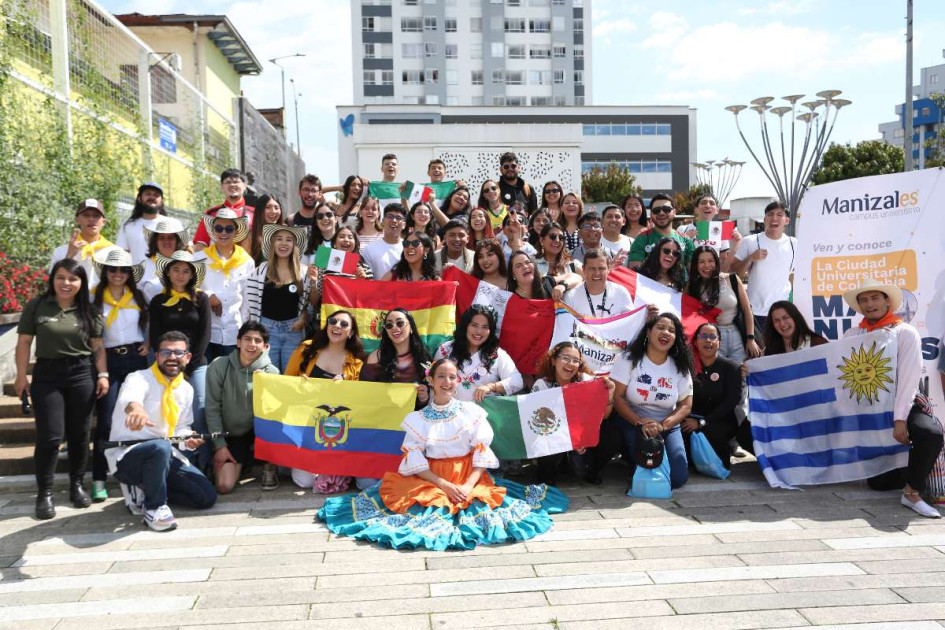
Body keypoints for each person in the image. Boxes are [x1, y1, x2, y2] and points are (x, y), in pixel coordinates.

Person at [316, 357, 568, 550]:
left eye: (452, 377)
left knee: (480, 506)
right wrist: (444, 485)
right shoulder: (418, 419)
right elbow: (415, 460)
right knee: (424, 509)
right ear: (431, 380)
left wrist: (468, 486)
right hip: (431, 478)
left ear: (458, 381)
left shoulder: (471, 412)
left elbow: (481, 453)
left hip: (469, 475)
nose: (447, 382)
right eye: (442, 377)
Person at [842, 278, 942, 518]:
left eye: (875, 298)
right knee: (879, 482)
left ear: (887, 301)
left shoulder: (905, 332)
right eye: (863, 300)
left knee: (930, 433)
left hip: (904, 404)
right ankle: (921, 470)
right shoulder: (852, 334)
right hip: (869, 408)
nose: (870, 304)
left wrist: (900, 419)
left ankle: (912, 492)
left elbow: (909, 379)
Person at [15, 259, 107, 519]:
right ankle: (44, 492)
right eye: (61, 277)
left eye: (73, 279)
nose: (66, 283)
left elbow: (97, 345)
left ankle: (76, 485)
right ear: (52, 279)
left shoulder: (89, 309)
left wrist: (103, 374)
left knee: (79, 434)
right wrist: (21, 377)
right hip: (47, 375)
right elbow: (23, 342)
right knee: (51, 436)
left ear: (81, 282)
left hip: (81, 373)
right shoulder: (37, 305)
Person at [106, 331, 217, 531]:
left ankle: (147, 489)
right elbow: (130, 398)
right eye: (166, 352)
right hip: (128, 456)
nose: (172, 357)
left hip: (163, 455)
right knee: (160, 446)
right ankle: (154, 507)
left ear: (188, 357)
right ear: (156, 356)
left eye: (178, 353)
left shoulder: (185, 388)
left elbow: (181, 426)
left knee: (205, 496)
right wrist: (136, 409)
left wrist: (187, 438)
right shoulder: (139, 377)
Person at [89, 248, 149, 502]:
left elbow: (149, 321)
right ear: (105, 271)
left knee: (137, 415)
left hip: (135, 358)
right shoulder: (94, 300)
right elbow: (95, 339)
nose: (117, 274)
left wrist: (148, 342)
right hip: (109, 360)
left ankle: (138, 472)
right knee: (106, 419)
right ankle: (99, 477)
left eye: (123, 270)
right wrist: (101, 371)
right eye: (112, 269)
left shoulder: (137, 295)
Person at [611, 312, 694, 490]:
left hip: (667, 425)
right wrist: (640, 422)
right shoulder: (628, 359)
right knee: (647, 467)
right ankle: (627, 454)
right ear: (648, 332)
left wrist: (663, 426)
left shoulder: (680, 366)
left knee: (677, 479)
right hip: (632, 421)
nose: (666, 333)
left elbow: (686, 405)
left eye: (671, 330)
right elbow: (617, 397)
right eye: (661, 328)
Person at [285, 310, 365, 491]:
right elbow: (286, 384)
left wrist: (346, 387)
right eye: (333, 321)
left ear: (351, 332)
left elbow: (359, 402)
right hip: (304, 426)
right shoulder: (306, 348)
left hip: (336, 431)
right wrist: (299, 385)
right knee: (305, 482)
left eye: (344, 324)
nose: (337, 326)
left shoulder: (357, 363)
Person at [148, 251, 212, 468]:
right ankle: (173, 461)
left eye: (186, 270)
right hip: (167, 364)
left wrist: (188, 368)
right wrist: (172, 365)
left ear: (193, 274)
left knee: (200, 408)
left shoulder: (201, 299)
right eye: (176, 269)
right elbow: (156, 336)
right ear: (168, 272)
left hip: (196, 363)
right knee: (167, 410)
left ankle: (203, 463)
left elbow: (205, 334)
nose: (180, 275)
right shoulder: (159, 301)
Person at [205, 322, 279, 494]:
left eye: (257, 340)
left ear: (265, 346)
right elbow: (212, 407)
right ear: (238, 342)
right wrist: (220, 446)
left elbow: (276, 413)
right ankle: (242, 463)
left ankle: (269, 465)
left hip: (258, 436)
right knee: (224, 486)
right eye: (247, 339)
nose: (252, 344)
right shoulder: (219, 366)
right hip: (230, 435)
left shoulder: (272, 372)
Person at [531, 342, 616, 486]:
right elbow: (537, 424)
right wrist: (568, 440)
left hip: (581, 441)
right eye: (565, 358)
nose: (570, 364)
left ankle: (591, 471)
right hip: (554, 437)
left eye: (575, 361)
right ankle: (547, 476)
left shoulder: (585, 381)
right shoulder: (542, 385)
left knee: (612, 433)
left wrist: (610, 394)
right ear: (553, 360)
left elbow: (604, 416)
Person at [681, 323, 751, 470]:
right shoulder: (686, 366)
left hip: (720, 421)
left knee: (712, 434)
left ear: (719, 342)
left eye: (713, 337)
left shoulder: (731, 368)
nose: (708, 340)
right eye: (703, 336)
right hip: (690, 419)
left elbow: (730, 403)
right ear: (695, 341)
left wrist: (702, 422)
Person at [246, 224, 311, 373]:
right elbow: (252, 303)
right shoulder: (261, 270)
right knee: (269, 375)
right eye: (279, 239)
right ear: (272, 243)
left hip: (293, 330)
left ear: (294, 245)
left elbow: (307, 305)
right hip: (266, 329)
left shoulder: (303, 271)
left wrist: (303, 318)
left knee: (291, 375)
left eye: (288, 240)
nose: (283, 243)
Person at [731, 201, 796, 339]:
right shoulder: (750, 241)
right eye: (770, 214)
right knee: (757, 355)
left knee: (780, 355)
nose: (774, 218)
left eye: (780, 215)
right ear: (765, 219)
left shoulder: (794, 244)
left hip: (782, 313)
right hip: (754, 312)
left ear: (787, 220)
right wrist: (750, 258)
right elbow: (733, 273)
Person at [687, 246, 761, 363]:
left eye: (711, 261)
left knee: (740, 375)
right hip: (710, 338)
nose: (707, 265)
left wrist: (750, 339)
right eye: (702, 262)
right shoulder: (691, 287)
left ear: (716, 262)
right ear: (696, 265)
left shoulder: (732, 279)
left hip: (737, 334)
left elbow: (747, 310)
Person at [199, 208, 255, 363]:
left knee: (230, 380)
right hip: (207, 331)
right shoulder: (199, 258)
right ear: (213, 231)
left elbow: (247, 299)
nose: (224, 232)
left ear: (236, 232)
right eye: (219, 228)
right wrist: (208, 295)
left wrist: (243, 332)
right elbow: (189, 287)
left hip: (233, 332)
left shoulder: (247, 261)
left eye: (229, 228)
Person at [435, 305, 523, 403]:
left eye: (485, 327)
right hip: (448, 414)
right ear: (465, 326)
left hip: (482, 415)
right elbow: (433, 383)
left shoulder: (497, 355)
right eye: (474, 325)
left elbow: (517, 382)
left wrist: (491, 387)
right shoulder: (446, 350)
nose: (479, 331)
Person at [50, 199, 113, 286]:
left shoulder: (113, 252)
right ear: (77, 219)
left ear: (103, 222)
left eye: (96, 216)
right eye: (86, 215)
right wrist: (69, 256)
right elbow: (53, 283)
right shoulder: (61, 251)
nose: (91, 219)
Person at [628, 194, 694, 269]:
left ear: (674, 212)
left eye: (666, 209)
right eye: (656, 210)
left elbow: (692, 272)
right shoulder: (641, 239)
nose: (661, 213)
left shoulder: (686, 240)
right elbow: (634, 273)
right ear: (651, 214)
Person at [192, 168, 252, 252]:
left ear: (245, 185)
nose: (232, 185)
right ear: (222, 187)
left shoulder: (255, 214)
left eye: (236, 182)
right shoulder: (210, 214)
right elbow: (200, 245)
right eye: (228, 182)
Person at [678, 195, 742, 272]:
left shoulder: (722, 230)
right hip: (689, 280)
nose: (708, 206)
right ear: (696, 210)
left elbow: (723, 265)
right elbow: (676, 258)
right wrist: (684, 241)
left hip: (712, 279)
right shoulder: (683, 229)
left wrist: (736, 245)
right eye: (703, 203)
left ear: (717, 210)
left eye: (711, 203)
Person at [562, 249, 634, 318]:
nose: (597, 273)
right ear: (583, 269)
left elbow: (629, 324)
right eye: (592, 269)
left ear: (608, 269)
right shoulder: (570, 297)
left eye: (601, 268)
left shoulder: (621, 292)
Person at [139, 218, 189, 303]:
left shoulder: (188, 264)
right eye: (162, 238)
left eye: (170, 238)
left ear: (177, 241)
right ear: (155, 242)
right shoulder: (143, 267)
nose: (166, 241)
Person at [115, 182, 167, 264]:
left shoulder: (173, 224)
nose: (152, 197)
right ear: (139, 198)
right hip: (137, 276)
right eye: (148, 194)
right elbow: (121, 256)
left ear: (161, 201)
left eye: (156, 195)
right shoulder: (128, 226)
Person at [535, 223, 583, 300]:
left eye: (561, 238)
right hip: (540, 309)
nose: (557, 240)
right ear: (541, 240)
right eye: (553, 236)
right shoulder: (533, 264)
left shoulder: (572, 264)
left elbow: (588, 279)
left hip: (566, 310)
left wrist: (563, 285)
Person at [361, 202, 406, 278]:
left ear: (404, 224)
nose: (394, 220)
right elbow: (367, 280)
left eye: (398, 218)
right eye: (390, 216)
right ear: (382, 221)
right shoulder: (369, 249)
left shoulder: (409, 248)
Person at [248, 193, 286, 264]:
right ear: (260, 210)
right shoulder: (251, 236)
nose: (273, 211)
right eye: (268, 207)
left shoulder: (288, 232)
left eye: (276, 208)